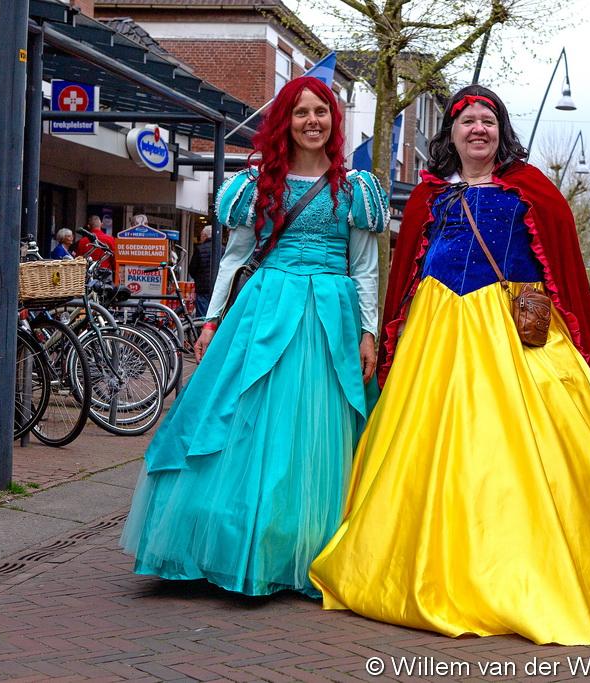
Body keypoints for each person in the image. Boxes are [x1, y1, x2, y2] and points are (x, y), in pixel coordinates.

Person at [309, 85, 590, 646]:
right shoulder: (430, 193)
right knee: (426, 441)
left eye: (488, 120)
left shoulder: (532, 189)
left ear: (501, 131)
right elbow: (407, 267)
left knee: (522, 442)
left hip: (511, 330)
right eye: (467, 121)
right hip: (435, 329)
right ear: (451, 134)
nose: (478, 129)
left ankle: (528, 565)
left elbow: (561, 267)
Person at [119, 76, 389, 596]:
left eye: (321, 111)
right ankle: (237, 539)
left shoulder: (355, 188)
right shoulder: (258, 185)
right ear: (285, 121)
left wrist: (368, 332)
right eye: (301, 112)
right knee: (238, 420)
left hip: (330, 321)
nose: (312, 121)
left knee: (312, 434)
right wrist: (211, 321)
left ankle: (306, 546)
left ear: (334, 121)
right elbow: (235, 257)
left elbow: (364, 268)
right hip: (264, 311)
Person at [186, 226, 214, 317]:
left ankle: (202, 325)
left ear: (205, 236)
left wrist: (198, 278)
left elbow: (192, 269)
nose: (200, 238)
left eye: (201, 235)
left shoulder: (199, 249)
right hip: (217, 287)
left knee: (202, 314)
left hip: (202, 287)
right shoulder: (222, 249)